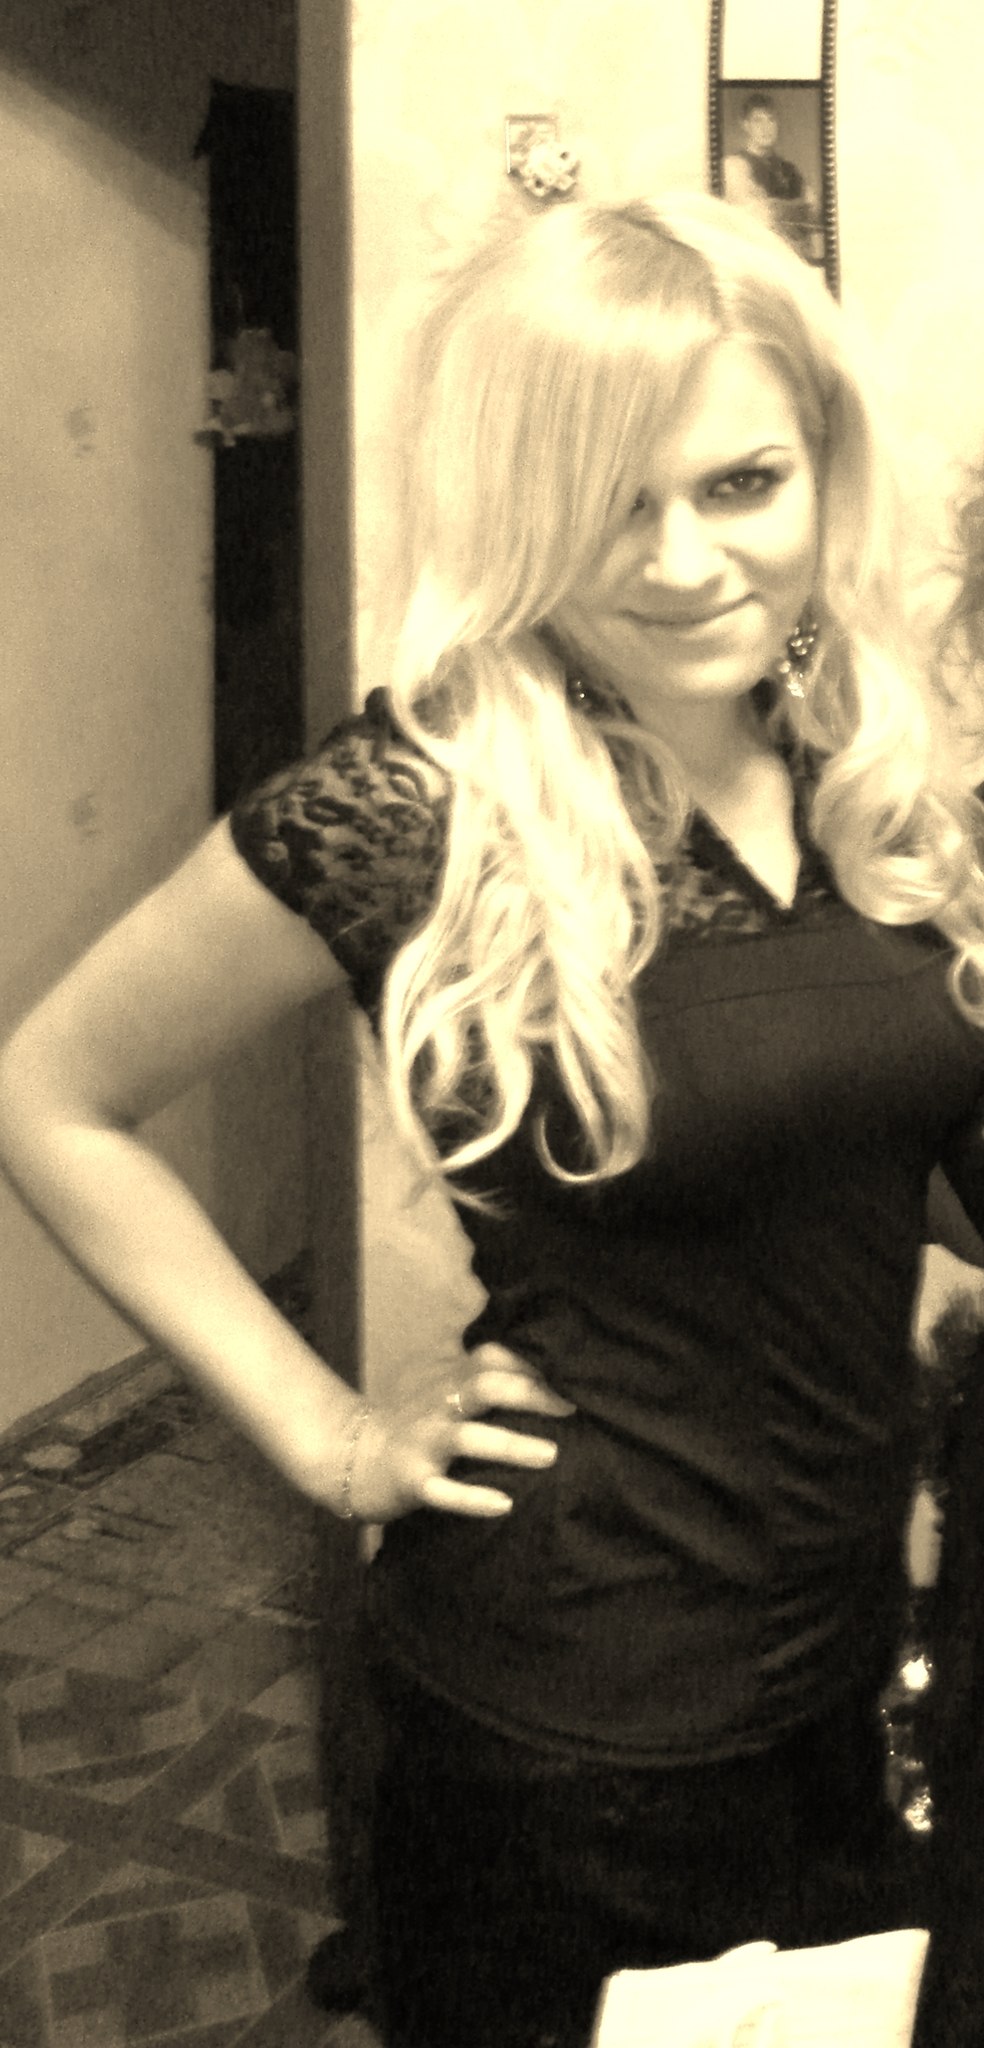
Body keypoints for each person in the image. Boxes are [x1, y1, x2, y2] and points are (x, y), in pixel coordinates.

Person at [1, 191, 981, 2048]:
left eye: (741, 483)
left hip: (849, 1660)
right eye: (609, 501)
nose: (685, 561)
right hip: (569, 1726)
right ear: (512, 510)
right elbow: (53, 1095)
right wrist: (328, 1436)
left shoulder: (864, 765)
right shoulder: (409, 806)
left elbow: (863, 1149)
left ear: (819, 462)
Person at [723, 92, 823, 262]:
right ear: (745, 125)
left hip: (797, 260)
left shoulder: (790, 170)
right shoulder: (734, 165)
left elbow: (816, 215)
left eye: (771, 120)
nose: (766, 127)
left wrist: (778, 208)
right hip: (760, 259)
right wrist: (800, 208)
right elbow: (760, 217)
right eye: (758, 121)